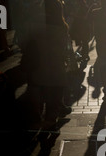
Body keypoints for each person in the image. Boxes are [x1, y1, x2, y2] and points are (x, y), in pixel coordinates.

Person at [22, 0, 71, 128]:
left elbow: (24, 43)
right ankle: (50, 121)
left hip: (37, 68)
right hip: (56, 68)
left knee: (38, 98)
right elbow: (65, 49)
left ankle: (39, 120)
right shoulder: (62, 26)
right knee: (53, 99)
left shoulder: (33, 23)